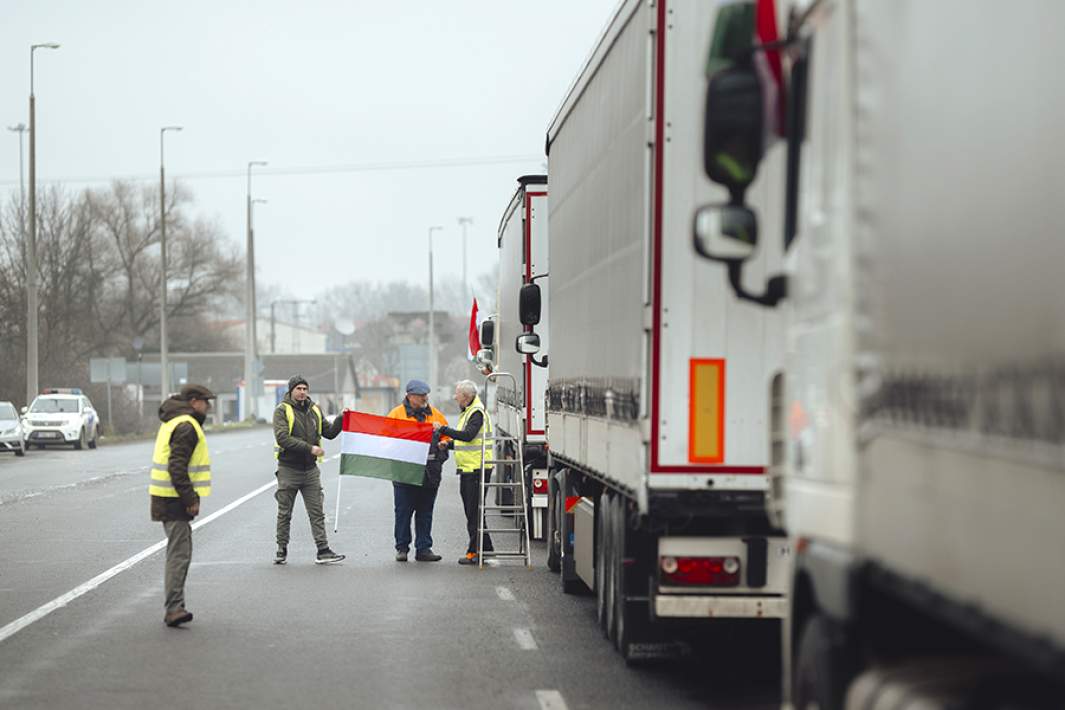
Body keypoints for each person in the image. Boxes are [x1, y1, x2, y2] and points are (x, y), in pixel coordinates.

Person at [150, 384, 216, 627]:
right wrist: (190, 500)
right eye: (206, 402)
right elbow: (176, 467)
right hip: (174, 500)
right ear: (194, 401)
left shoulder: (175, 420)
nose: (208, 408)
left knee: (179, 552)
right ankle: (174, 608)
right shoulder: (186, 426)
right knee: (179, 554)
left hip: (167, 497)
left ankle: (175, 606)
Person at [273, 375, 345, 565]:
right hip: (289, 469)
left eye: (305, 388)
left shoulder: (314, 410)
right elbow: (282, 438)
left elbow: (328, 432)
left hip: (310, 471)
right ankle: (281, 549)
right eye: (299, 389)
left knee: (317, 512)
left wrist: (341, 418)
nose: (303, 392)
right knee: (284, 513)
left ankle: (323, 550)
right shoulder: (282, 410)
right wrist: (310, 448)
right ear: (291, 391)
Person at [386, 379, 449, 562]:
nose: (424, 398)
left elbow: (447, 435)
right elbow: (385, 439)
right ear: (409, 396)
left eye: (425, 395)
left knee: (425, 511)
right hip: (404, 472)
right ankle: (402, 548)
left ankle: (423, 548)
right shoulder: (396, 415)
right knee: (403, 512)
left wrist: (445, 442)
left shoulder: (435, 415)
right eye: (420, 396)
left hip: (429, 472)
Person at [434, 379, 495, 565]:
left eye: (457, 394)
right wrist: (449, 444)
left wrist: (443, 429)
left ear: (466, 397)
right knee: (473, 511)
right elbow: (466, 440)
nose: (455, 397)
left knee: (474, 512)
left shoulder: (476, 413)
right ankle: (486, 549)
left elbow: (468, 436)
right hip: (469, 468)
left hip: (477, 469)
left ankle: (475, 552)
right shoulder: (469, 411)